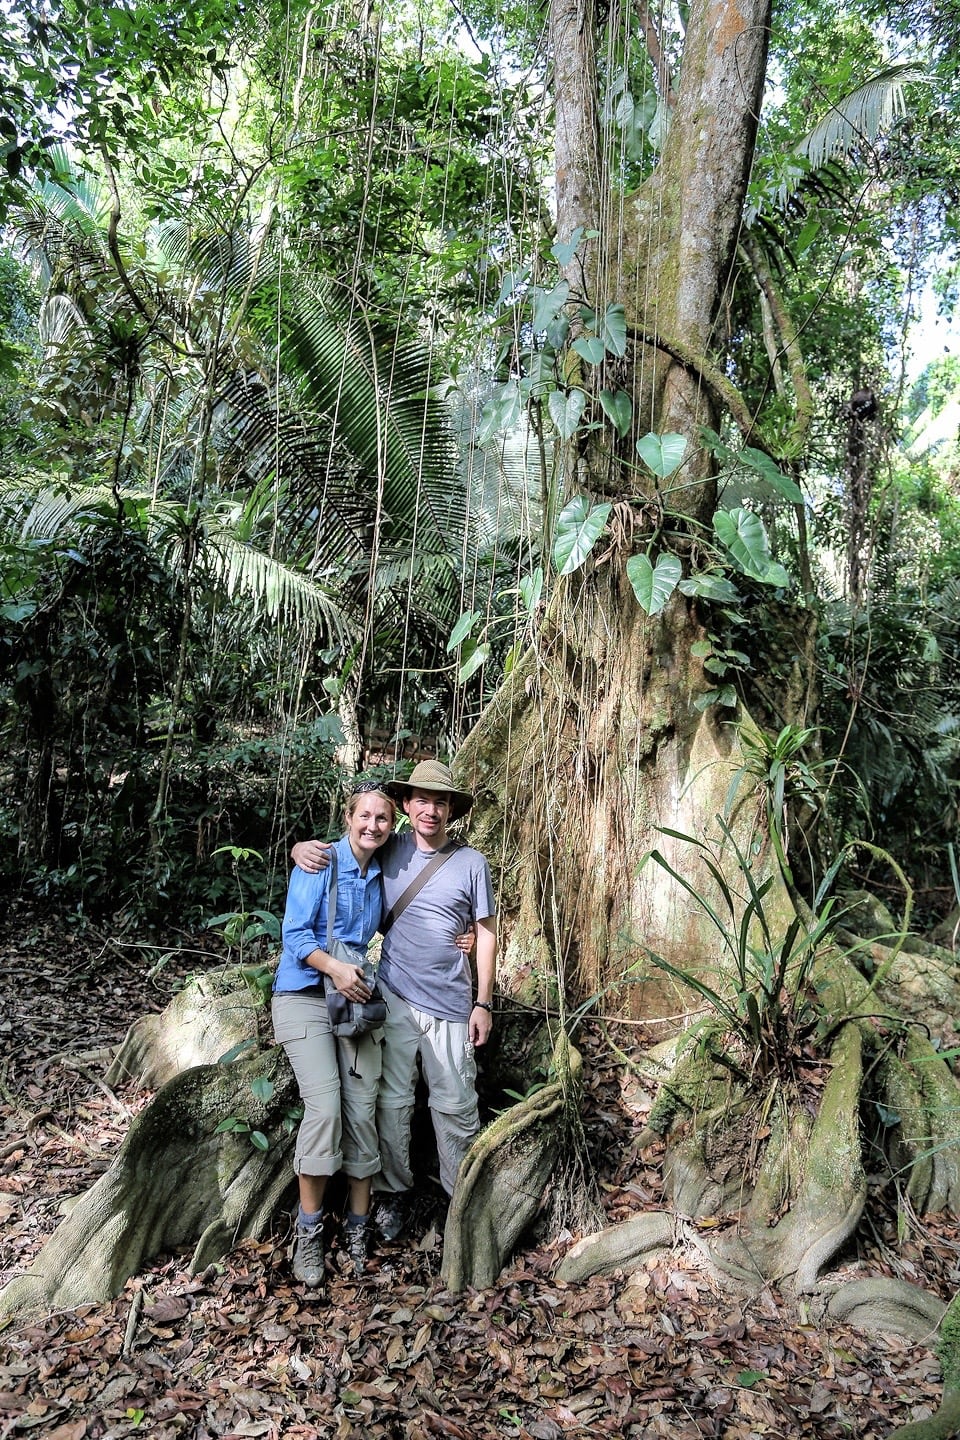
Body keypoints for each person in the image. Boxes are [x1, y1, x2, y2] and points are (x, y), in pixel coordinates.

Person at [292, 758, 497, 1242]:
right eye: (421, 800)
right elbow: (346, 855)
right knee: (393, 1104)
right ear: (406, 806)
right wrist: (300, 848)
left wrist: (483, 1003)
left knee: (455, 1106)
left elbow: (486, 935)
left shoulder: (471, 863)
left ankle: (459, 1200)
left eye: (440, 802)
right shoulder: (389, 849)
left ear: (451, 811)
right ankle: (391, 1196)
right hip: (395, 998)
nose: (430, 810)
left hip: (452, 1003)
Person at [273, 781, 396, 1289]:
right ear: (348, 818)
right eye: (364, 816)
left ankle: (358, 1228)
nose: (372, 826)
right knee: (324, 1108)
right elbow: (294, 934)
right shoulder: (319, 862)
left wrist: (465, 933)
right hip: (304, 996)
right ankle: (308, 1232)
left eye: (383, 819)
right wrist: (337, 970)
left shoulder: (384, 873)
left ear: (392, 827)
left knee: (363, 1109)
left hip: (353, 1004)